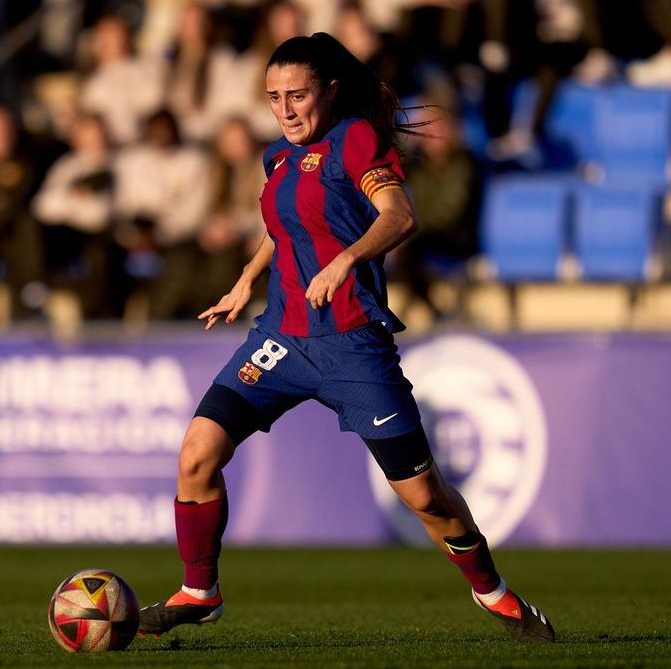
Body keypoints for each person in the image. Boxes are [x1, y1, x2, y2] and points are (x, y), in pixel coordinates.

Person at [136, 32, 555, 645]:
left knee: (426, 496)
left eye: (298, 95)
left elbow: (400, 215)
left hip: (353, 345)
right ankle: (200, 590)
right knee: (197, 454)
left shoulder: (356, 140)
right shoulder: (276, 157)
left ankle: (495, 593)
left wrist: (346, 261)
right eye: (274, 96)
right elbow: (284, 227)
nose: (285, 109)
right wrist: (246, 279)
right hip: (280, 339)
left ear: (329, 91)